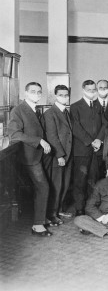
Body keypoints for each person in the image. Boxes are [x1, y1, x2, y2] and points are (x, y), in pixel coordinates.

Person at [8, 82, 53, 236]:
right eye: (33, 91)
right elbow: (15, 135)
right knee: (43, 187)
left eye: (39, 92)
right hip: (28, 156)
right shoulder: (18, 110)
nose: (36, 94)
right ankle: (38, 224)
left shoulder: (36, 109)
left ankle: (41, 218)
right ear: (25, 93)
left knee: (42, 188)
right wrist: (39, 141)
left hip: (38, 155)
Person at [70, 80, 108, 217]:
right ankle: (80, 209)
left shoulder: (98, 105)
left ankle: (91, 208)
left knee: (94, 179)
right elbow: (75, 127)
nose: (92, 92)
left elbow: (105, 124)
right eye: (89, 90)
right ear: (83, 90)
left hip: (96, 150)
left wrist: (99, 139)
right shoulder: (75, 107)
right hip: (82, 150)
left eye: (94, 90)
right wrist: (90, 141)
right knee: (80, 180)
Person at [43, 84, 73, 226]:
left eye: (66, 95)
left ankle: (59, 209)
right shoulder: (50, 113)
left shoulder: (66, 112)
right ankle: (52, 214)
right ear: (55, 96)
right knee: (56, 185)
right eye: (61, 95)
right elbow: (52, 136)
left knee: (65, 184)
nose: (64, 97)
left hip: (68, 155)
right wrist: (60, 155)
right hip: (58, 156)